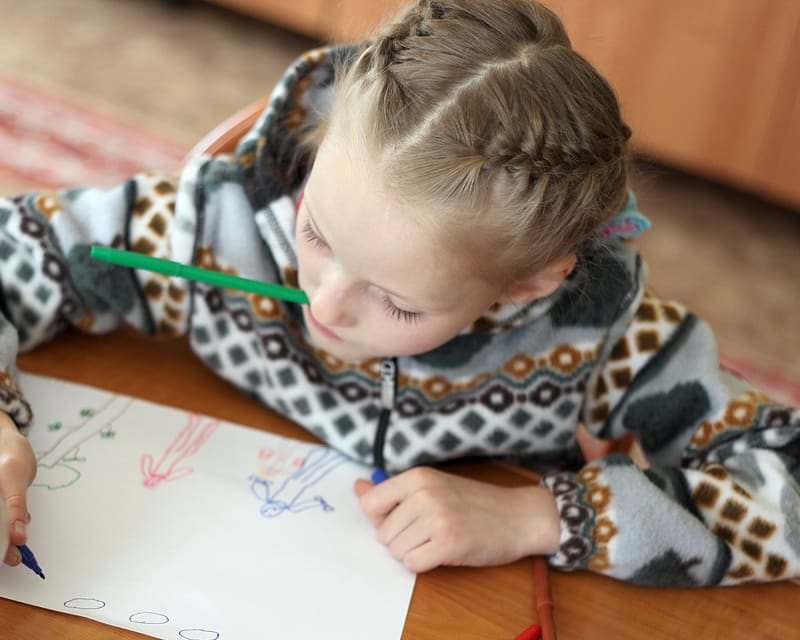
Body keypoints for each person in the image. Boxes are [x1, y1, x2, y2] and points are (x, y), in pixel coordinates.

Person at [1, 0, 798, 587]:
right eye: (317, 233)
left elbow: (786, 489)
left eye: (398, 302)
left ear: (527, 283)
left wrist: (541, 516)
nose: (326, 304)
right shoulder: (215, 226)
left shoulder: (602, 337)